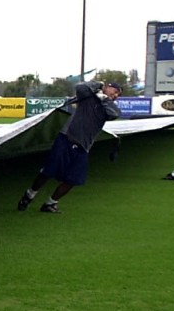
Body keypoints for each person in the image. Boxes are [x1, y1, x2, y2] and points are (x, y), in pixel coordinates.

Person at [17, 81, 122, 214]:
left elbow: (115, 114)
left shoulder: (108, 106)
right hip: (66, 138)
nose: (116, 95)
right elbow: (80, 87)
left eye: (118, 94)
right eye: (115, 91)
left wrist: (105, 99)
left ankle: (50, 203)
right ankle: (29, 195)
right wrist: (98, 85)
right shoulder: (87, 96)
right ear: (107, 87)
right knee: (48, 171)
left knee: (73, 179)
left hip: (84, 146)